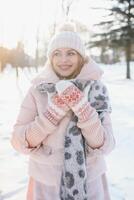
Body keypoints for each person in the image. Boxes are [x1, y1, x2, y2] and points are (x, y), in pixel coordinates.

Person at [11, 22, 115, 200]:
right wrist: (50, 116)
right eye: (57, 54)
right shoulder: (38, 90)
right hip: (46, 184)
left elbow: (106, 144)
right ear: (50, 58)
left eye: (71, 53)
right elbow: (18, 141)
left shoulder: (96, 89)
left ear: (81, 57)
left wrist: (84, 110)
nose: (63, 60)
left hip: (89, 183)